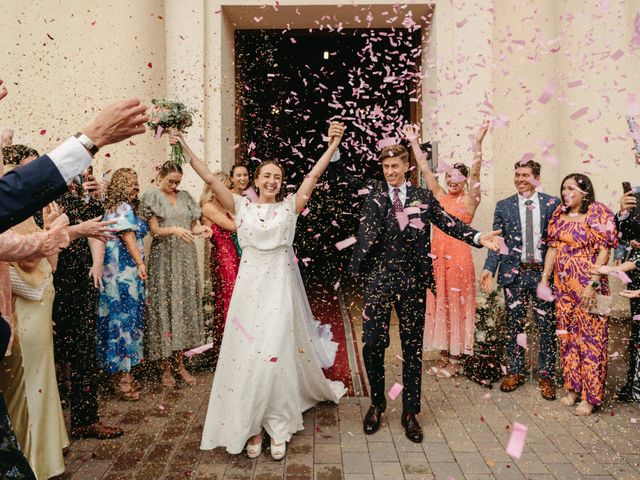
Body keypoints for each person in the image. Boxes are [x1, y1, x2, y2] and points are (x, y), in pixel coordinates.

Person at [174, 122, 348, 460]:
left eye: (277, 178)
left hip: (278, 290)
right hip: (248, 291)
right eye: (266, 176)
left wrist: (332, 145)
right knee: (248, 355)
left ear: (281, 184)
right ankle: (252, 425)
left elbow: (312, 176)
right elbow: (209, 180)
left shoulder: (289, 209)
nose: (271, 181)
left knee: (275, 353)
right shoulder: (242, 207)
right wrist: (181, 144)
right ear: (255, 181)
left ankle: (277, 423)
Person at [330, 138, 501, 443]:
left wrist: (477, 237)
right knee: (372, 344)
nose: (390, 172)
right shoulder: (373, 192)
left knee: (411, 349)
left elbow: (449, 223)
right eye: (385, 167)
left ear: (407, 167)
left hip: (412, 282)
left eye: (395, 166)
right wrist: (335, 147)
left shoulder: (422, 196)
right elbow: (343, 179)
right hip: (378, 281)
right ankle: (378, 404)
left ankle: (410, 413)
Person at [0, 81, 148, 232]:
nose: (31, 172)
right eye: (27, 170)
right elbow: (8, 200)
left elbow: (88, 215)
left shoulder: (65, 188)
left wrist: (95, 198)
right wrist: (94, 137)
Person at [404, 123, 488, 377]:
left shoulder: (469, 200)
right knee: (440, 304)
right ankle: (443, 355)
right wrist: (414, 142)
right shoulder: (439, 197)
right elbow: (425, 170)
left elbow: (476, 173)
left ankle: (456, 359)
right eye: (449, 177)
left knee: (456, 306)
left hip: (459, 261)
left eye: (458, 178)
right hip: (438, 260)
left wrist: (478, 143)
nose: (453, 182)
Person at [480, 160, 561, 399]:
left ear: (536, 177)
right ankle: (515, 371)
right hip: (513, 273)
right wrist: (488, 269)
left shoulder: (551, 204)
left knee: (545, 325)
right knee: (514, 325)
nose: (519, 179)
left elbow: (557, 242)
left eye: (525, 175)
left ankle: (546, 375)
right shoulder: (503, 206)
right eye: (517, 175)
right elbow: (497, 241)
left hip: (542, 274)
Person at [539, 173, 617, 415]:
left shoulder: (598, 213)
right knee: (567, 337)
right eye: (563, 188)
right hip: (563, 289)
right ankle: (572, 389)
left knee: (592, 341)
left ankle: (590, 397)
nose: (565, 192)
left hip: (589, 286)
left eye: (571, 188)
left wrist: (592, 283)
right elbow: (553, 248)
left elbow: (604, 252)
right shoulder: (558, 215)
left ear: (584, 192)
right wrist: (544, 279)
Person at [140, 162, 209, 388]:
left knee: (182, 309)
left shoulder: (186, 197)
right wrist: (174, 229)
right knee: (165, 310)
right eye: (171, 181)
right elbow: (155, 230)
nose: (174, 185)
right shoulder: (152, 197)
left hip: (186, 260)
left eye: (178, 182)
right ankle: (165, 368)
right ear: (160, 176)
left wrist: (202, 230)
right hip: (164, 259)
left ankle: (180, 364)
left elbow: (194, 226)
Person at [95, 168, 147, 401]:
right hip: (123, 276)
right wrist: (140, 263)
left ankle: (118, 372)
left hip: (116, 276)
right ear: (119, 186)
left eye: (137, 183)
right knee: (124, 321)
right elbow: (128, 238)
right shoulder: (123, 208)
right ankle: (122, 378)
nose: (136, 187)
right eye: (131, 184)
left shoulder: (115, 207)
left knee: (118, 320)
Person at [200, 176, 239, 370]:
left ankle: (238, 349)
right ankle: (227, 355)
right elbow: (233, 226)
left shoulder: (223, 205)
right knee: (228, 302)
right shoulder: (208, 207)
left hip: (234, 256)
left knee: (236, 301)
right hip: (223, 259)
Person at [616, 184, 640, 402]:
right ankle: (633, 384)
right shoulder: (635, 193)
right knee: (637, 330)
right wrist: (622, 213)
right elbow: (619, 235)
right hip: (637, 268)